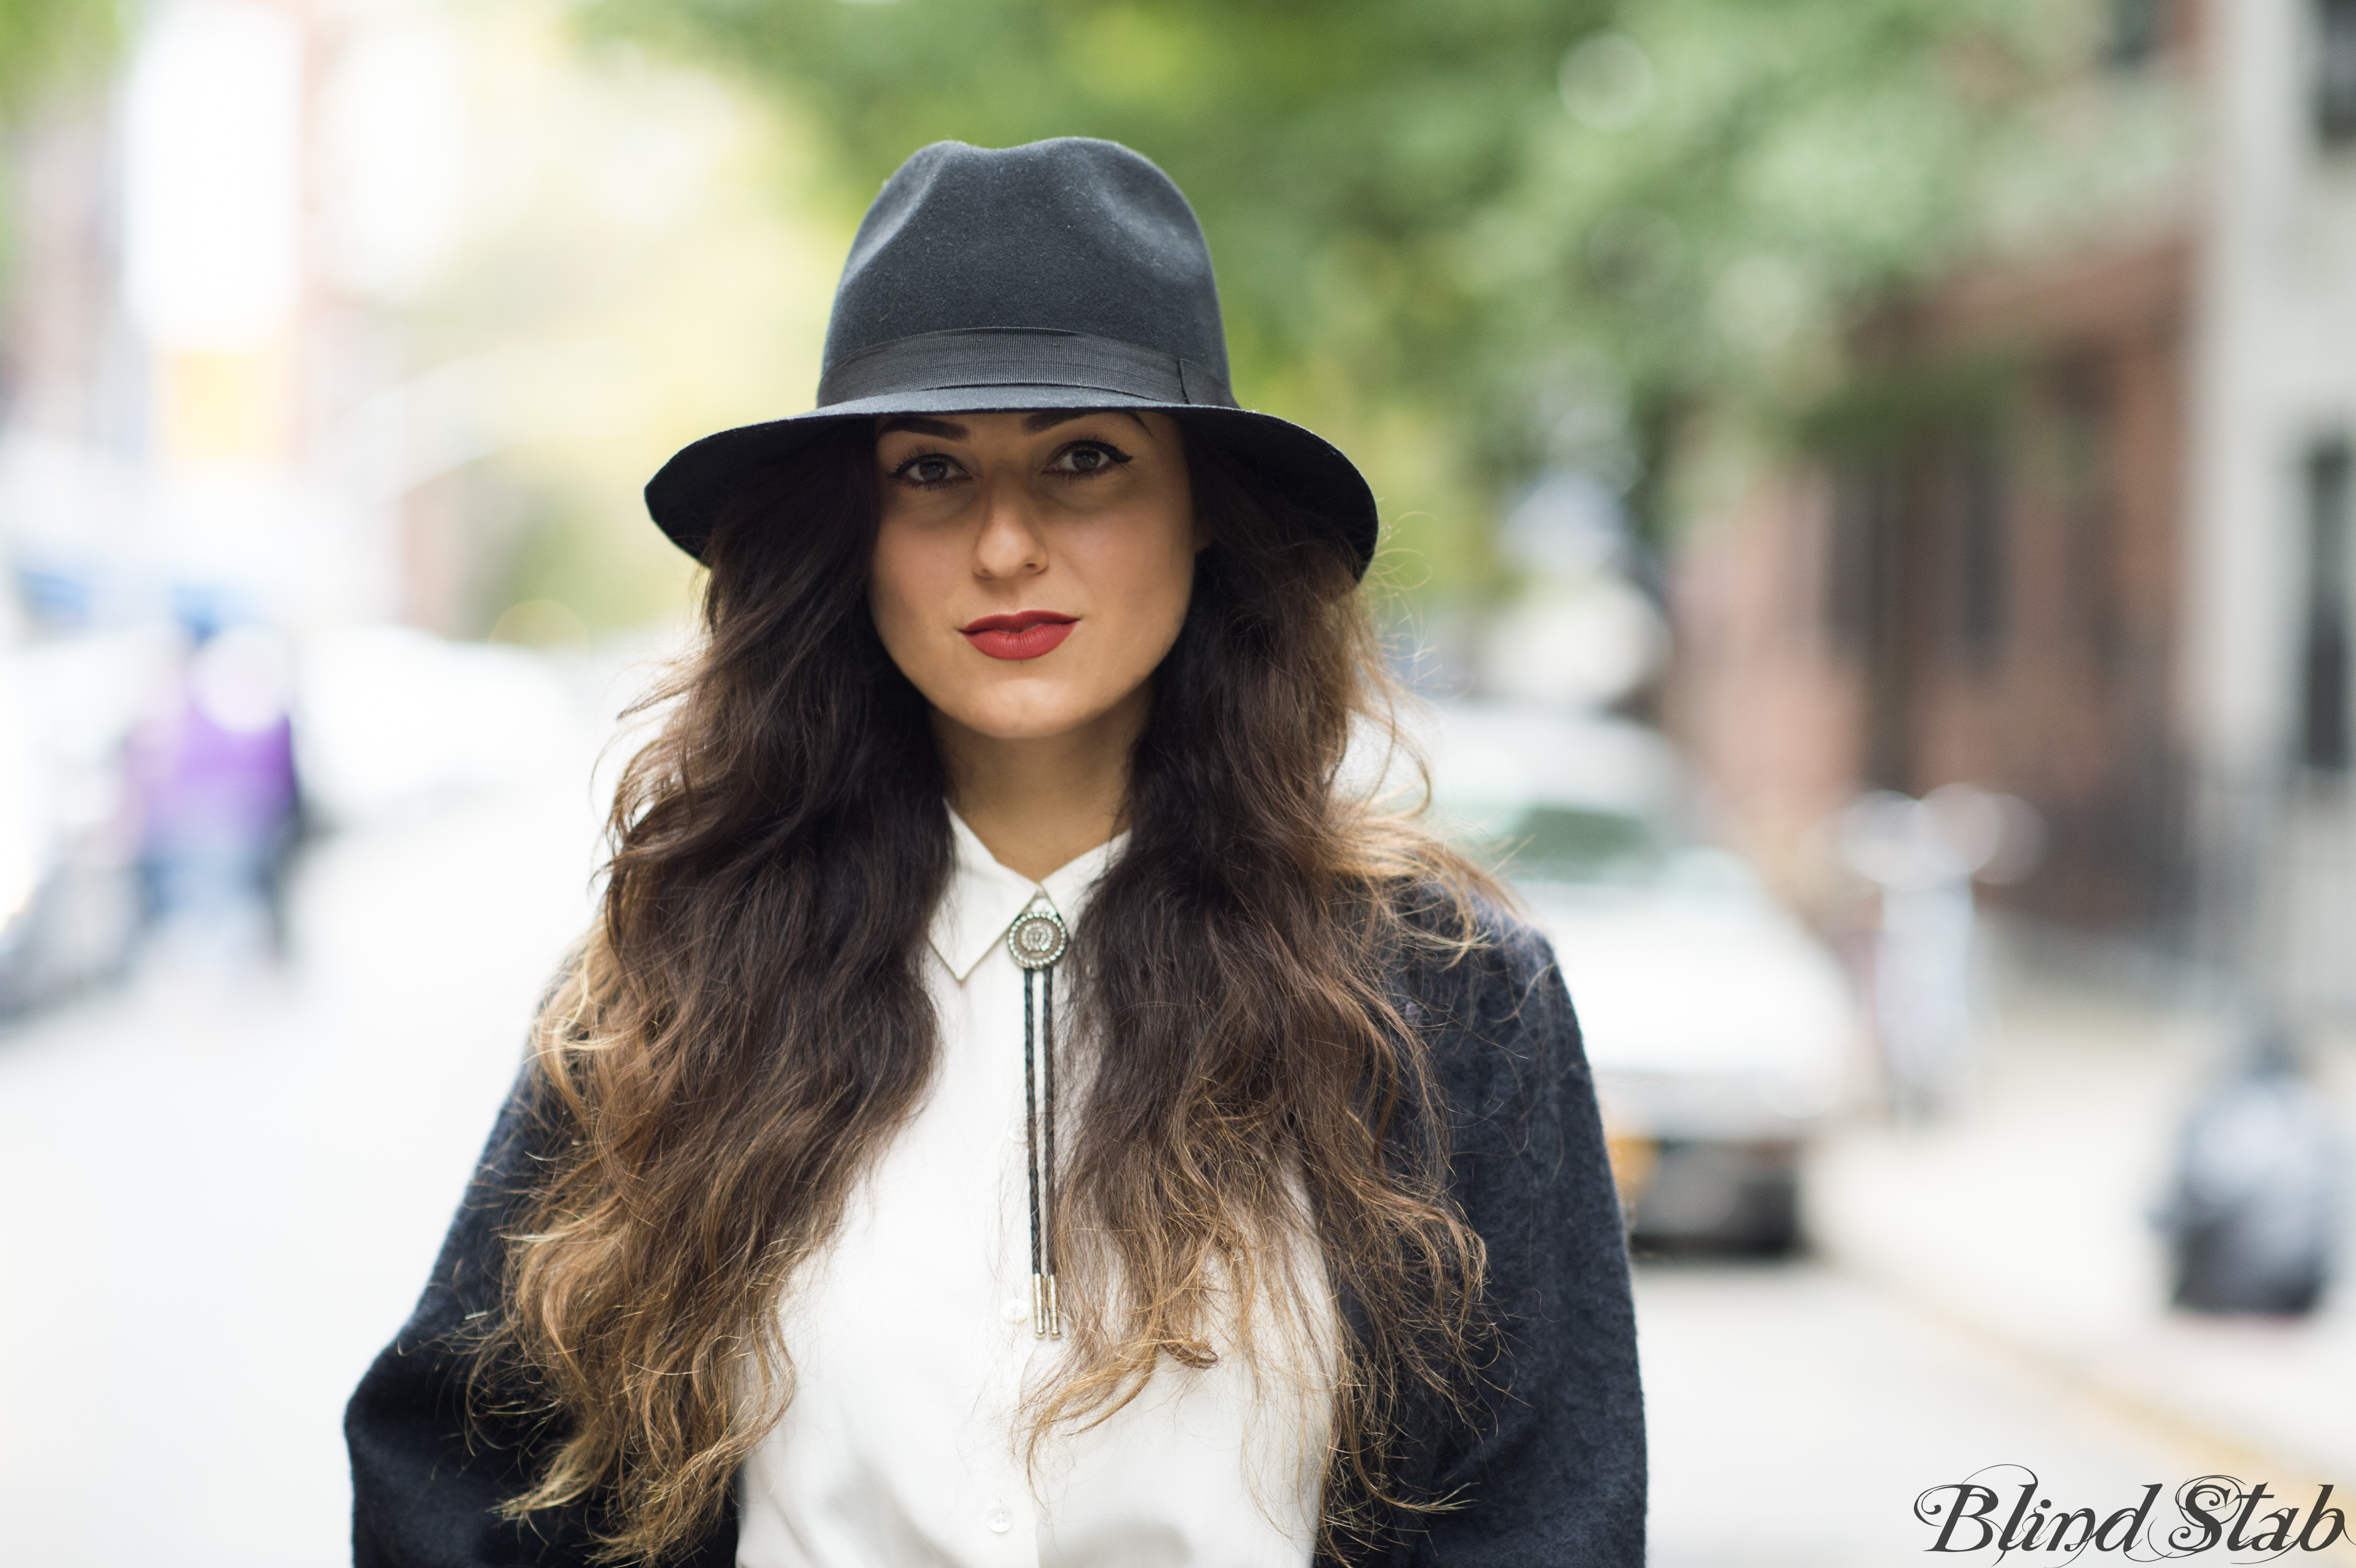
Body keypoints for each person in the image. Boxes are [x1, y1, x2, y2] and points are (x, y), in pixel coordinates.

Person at [347, 137, 1643, 1568]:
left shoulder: (1448, 1000)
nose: (1007, 544)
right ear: (855, 528)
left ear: (1202, 508)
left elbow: (1548, 1527)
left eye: (1085, 460)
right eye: (931, 473)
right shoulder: (675, 985)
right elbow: (449, 1483)